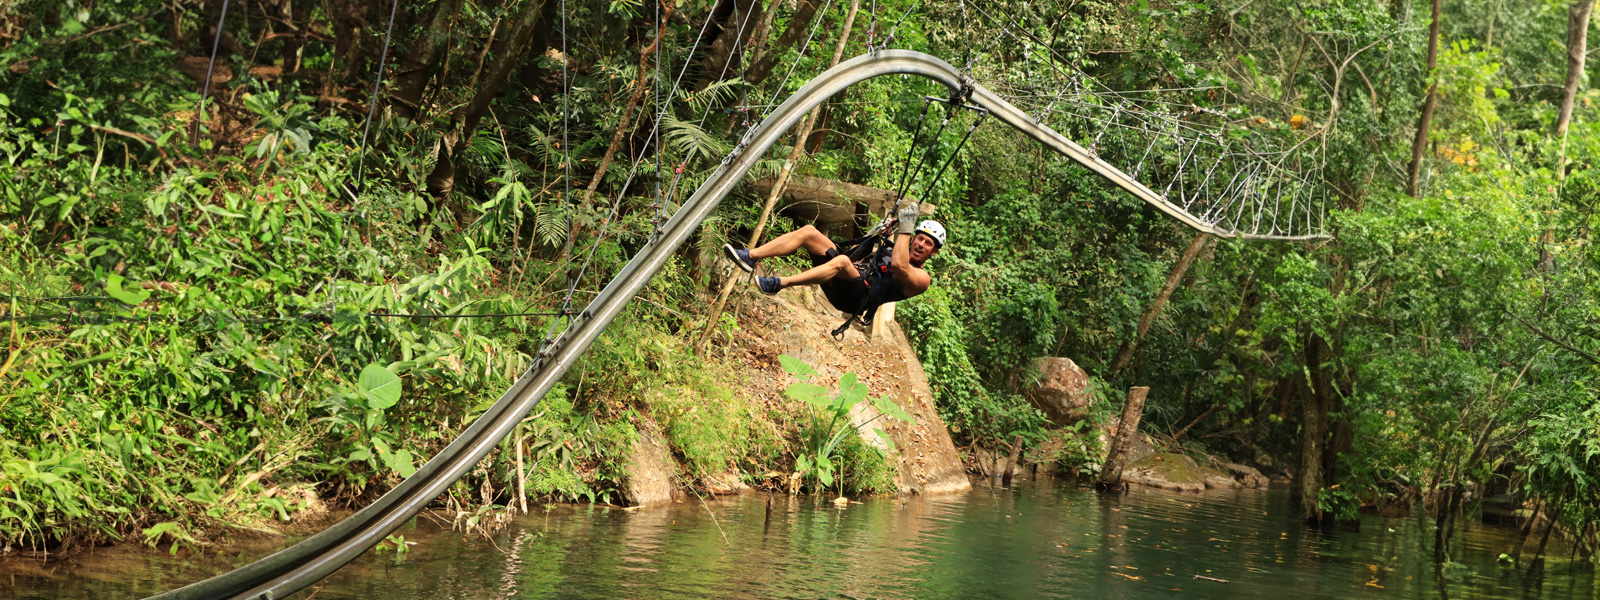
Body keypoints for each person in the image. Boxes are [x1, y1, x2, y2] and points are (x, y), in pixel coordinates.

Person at [722, 201, 945, 324]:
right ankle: (749, 257)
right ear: (914, 238)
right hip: (842, 277)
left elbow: (899, 265)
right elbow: (861, 256)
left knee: (841, 262)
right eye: (920, 238)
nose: (921, 245)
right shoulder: (890, 249)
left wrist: (905, 228)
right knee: (810, 233)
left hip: (854, 298)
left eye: (928, 244)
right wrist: (878, 232)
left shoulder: (921, 279)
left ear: (932, 252)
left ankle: (778, 283)